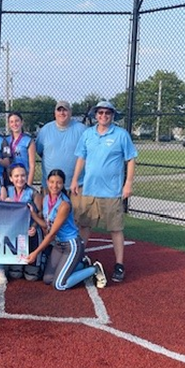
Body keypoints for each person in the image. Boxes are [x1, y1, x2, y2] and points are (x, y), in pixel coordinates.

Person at [70, 100, 137, 283]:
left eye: (107, 113)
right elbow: (81, 158)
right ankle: (78, 260)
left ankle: (119, 264)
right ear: (95, 115)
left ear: (112, 115)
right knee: (84, 226)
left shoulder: (121, 135)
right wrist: (75, 179)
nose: (104, 116)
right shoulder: (88, 134)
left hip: (112, 191)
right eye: (100, 113)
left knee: (115, 229)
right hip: (89, 189)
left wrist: (128, 183)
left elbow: (130, 159)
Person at [27, 169, 107, 290]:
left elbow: (52, 234)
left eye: (58, 182)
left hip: (71, 245)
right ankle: (82, 264)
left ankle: (94, 269)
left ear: (63, 184)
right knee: (48, 279)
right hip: (59, 245)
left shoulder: (64, 204)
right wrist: (33, 215)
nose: (55, 186)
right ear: (47, 182)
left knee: (59, 284)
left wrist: (35, 253)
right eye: (52, 182)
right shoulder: (46, 199)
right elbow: (46, 224)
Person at [35, 100, 87, 205]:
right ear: (55, 113)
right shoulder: (45, 130)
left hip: (76, 185)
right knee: (49, 217)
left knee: (77, 218)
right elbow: (40, 151)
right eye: (59, 110)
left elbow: (87, 155)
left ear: (70, 112)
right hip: (50, 186)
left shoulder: (82, 130)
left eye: (65, 110)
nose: (62, 113)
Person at [3, 163, 42, 281]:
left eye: (23, 175)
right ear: (11, 178)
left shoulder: (33, 193)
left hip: (30, 232)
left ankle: (41, 261)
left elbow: (40, 213)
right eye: (16, 176)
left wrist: (34, 226)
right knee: (15, 274)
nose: (20, 179)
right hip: (15, 232)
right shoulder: (7, 191)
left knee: (31, 277)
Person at [3, 111, 37, 188]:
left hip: (23, 177)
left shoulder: (28, 141)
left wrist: (29, 184)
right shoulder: (6, 140)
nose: (14, 124)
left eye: (17, 121)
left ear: (22, 122)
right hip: (10, 178)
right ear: (9, 124)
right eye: (11, 122)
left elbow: (32, 165)